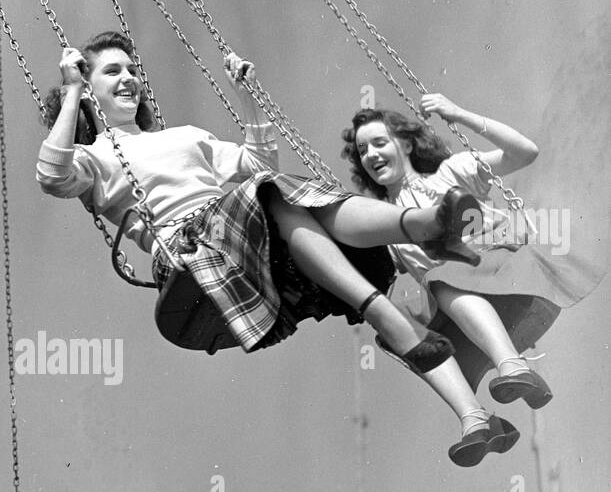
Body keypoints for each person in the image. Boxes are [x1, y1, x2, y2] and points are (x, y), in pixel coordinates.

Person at [37, 33, 485, 381]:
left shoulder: (184, 137)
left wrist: (245, 94)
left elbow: (257, 163)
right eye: (112, 71)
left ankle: (427, 226)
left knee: (280, 193)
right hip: (188, 253)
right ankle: (400, 284)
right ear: (90, 88)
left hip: (240, 231)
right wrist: (72, 90)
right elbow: (51, 175)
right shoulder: (91, 157)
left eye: (132, 69)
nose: (129, 78)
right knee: (269, 192)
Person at [344, 97, 565, 465]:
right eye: (363, 150)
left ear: (407, 144)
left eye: (379, 143)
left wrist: (460, 115)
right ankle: (476, 420)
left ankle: (512, 366)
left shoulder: (451, 172)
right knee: (397, 327)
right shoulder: (383, 221)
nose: (371, 155)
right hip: (462, 307)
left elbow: (525, 152)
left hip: (506, 270)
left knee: (439, 279)